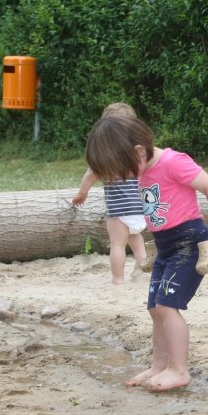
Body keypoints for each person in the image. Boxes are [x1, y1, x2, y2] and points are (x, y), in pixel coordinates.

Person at [83, 113, 208, 392]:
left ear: (138, 152)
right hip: (164, 245)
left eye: (121, 171)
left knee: (167, 306)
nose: (120, 179)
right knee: (155, 308)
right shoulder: (141, 166)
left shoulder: (173, 162)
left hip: (189, 242)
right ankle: (159, 365)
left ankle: (178, 369)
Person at [72, 103, 149, 285]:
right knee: (137, 241)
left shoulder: (105, 157)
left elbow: (91, 175)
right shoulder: (137, 154)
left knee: (117, 245)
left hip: (118, 212)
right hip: (139, 209)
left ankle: (118, 279)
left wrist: (82, 194)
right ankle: (140, 269)